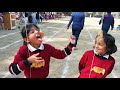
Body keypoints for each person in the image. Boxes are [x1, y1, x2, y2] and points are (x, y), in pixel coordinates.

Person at [9, 23, 76, 78]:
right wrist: (28, 61)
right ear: (27, 39)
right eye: (32, 32)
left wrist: (71, 44)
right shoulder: (24, 50)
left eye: (37, 30)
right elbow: (13, 70)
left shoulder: (47, 48)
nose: (37, 31)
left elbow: (61, 54)